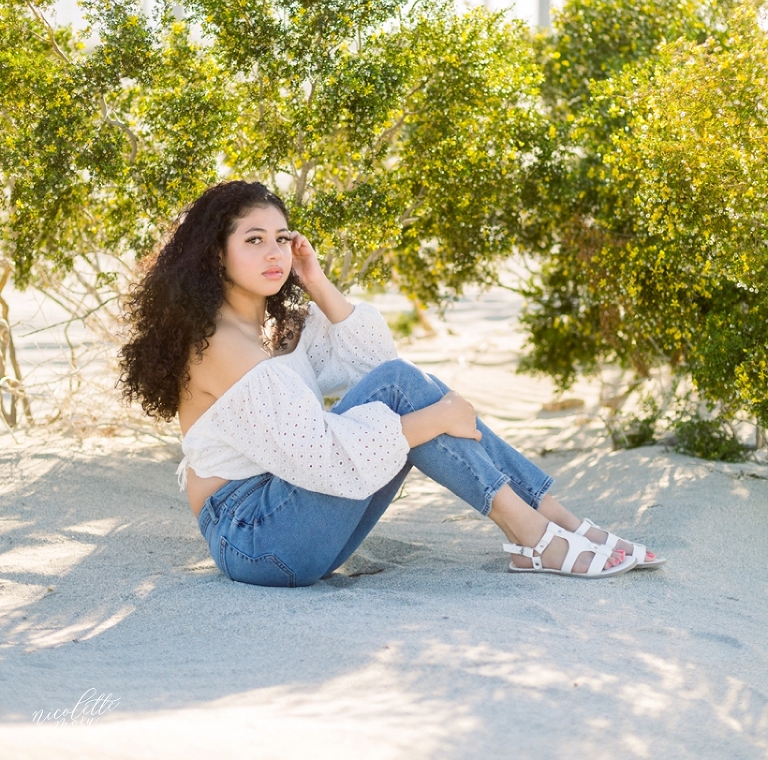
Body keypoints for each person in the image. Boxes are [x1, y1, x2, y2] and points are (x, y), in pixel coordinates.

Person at [119, 180, 664, 587]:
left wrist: (316, 280)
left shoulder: (268, 328)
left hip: (291, 521)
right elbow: (324, 458)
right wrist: (436, 420)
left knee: (401, 385)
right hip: (254, 536)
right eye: (254, 239)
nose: (274, 253)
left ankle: (550, 524)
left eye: (283, 239)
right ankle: (535, 531)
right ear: (216, 254)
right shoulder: (220, 346)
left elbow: (376, 363)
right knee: (409, 399)